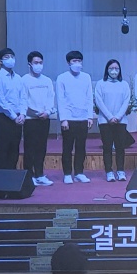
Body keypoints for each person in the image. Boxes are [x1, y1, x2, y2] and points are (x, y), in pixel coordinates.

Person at [57, 50, 93, 184]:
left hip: (83, 118)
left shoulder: (86, 77)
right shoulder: (62, 78)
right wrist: (63, 119)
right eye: (74, 61)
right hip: (69, 118)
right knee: (67, 147)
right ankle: (67, 173)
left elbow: (89, 97)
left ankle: (79, 172)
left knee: (81, 147)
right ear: (68, 63)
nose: (77, 63)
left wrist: (90, 116)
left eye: (79, 61)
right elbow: (60, 99)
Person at [21, 50, 55, 187]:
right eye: (36, 62)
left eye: (40, 62)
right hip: (30, 119)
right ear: (29, 64)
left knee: (42, 148)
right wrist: (35, 112)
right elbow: (23, 100)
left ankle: (40, 174)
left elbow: (51, 98)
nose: (39, 65)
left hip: (44, 118)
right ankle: (29, 175)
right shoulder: (24, 80)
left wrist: (47, 112)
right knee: (30, 148)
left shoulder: (47, 80)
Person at [94, 59, 131, 182]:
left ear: (120, 70)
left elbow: (126, 101)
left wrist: (118, 116)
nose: (114, 71)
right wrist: (110, 116)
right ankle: (109, 171)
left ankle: (120, 171)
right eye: (111, 68)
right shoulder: (100, 84)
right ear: (107, 70)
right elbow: (99, 101)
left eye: (116, 68)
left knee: (120, 147)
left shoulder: (124, 84)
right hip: (105, 121)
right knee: (107, 147)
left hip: (121, 121)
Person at [0, 47, 26, 171]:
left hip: (17, 119)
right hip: (3, 119)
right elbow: (1, 101)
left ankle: (12, 177)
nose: (10, 59)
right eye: (7, 57)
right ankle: (0, 179)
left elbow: (23, 98)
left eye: (12, 57)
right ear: (0, 61)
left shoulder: (19, 78)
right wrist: (14, 117)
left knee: (14, 150)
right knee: (2, 150)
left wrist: (22, 114)